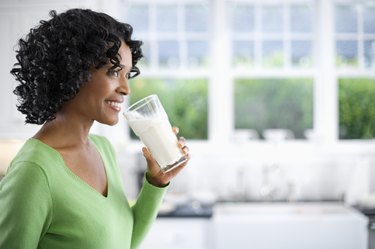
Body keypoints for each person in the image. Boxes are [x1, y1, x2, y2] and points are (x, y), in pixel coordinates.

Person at [0, 8, 189, 249]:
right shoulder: (34, 173)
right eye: (113, 72)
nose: (125, 89)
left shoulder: (103, 149)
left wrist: (157, 181)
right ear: (72, 71)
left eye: (127, 75)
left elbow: (124, 242)